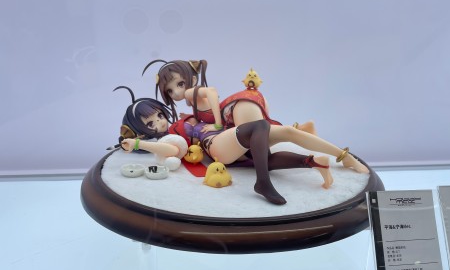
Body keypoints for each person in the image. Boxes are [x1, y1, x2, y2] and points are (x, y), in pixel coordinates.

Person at [142, 59, 368, 173]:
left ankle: (335, 156)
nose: (177, 93)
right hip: (236, 113)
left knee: (263, 150)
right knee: (284, 134)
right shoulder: (189, 104)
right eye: (170, 90)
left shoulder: (191, 93)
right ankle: (336, 152)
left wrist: (218, 124)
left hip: (233, 115)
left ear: (191, 80)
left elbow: (211, 93)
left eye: (180, 84)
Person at [116, 87, 333, 205]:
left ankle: (313, 162)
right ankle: (263, 182)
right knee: (259, 126)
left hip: (230, 139)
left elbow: (209, 97)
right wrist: (138, 143)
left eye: (159, 115)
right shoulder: (172, 133)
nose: (160, 122)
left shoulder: (185, 117)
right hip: (216, 146)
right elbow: (172, 150)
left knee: (267, 146)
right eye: (151, 124)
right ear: (145, 131)